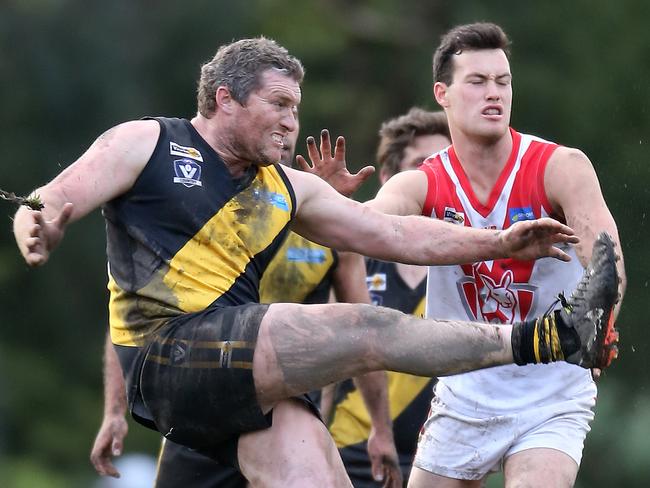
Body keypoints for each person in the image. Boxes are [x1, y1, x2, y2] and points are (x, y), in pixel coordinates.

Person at [13, 37, 618, 488]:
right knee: (366, 326)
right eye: (277, 104)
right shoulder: (146, 141)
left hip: (236, 372)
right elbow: (47, 198)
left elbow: (395, 233)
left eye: (296, 107)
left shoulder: (288, 188)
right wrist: (34, 226)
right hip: (164, 353)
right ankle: (549, 337)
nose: (291, 121)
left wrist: (501, 242)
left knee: (323, 478)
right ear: (226, 98)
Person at [303, 23, 625, 488]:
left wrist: (603, 317)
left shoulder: (561, 167)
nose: (494, 93)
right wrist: (329, 205)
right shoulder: (421, 181)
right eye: (477, 81)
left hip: (551, 390)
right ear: (443, 93)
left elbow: (607, 266)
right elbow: (366, 228)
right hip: (465, 391)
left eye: (503, 81)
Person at [90, 126, 371, 487]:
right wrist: (114, 411)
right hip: (202, 411)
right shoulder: (206, 218)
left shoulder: (317, 221)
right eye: (274, 108)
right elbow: (130, 317)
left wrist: (327, 208)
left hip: (286, 414)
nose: (284, 125)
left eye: (292, 112)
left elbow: (361, 323)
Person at [327, 108, 451, 487]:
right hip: (352, 448)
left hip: (445, 456)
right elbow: (323, 361)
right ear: (389, 179)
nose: (433, 178)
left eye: (445, 166)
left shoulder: (475, 267)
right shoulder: (355, 260)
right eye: (420, 167)